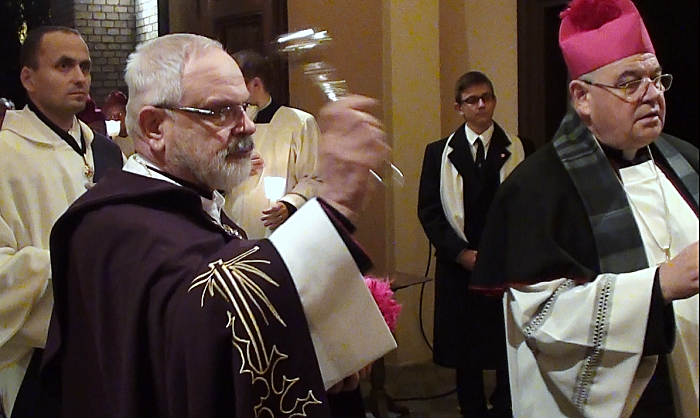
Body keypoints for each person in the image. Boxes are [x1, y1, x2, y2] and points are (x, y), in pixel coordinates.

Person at [39, 33, 391, 418]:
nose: (248, 126)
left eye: (245, 106)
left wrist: (321, 358)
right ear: (155, 127)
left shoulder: (195, 203)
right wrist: (335, 204)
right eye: (221, 110)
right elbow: (209, 317)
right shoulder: (115, 226)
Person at [472, 1, 699, 417]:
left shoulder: (686, 161)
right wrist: (659, 286)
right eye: (630, 83)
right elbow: (544, 320)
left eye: (655, 78)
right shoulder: (537, 190)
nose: (652, 94)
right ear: (582, 98)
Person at [0, 26, 123, 417]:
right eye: (64, 66)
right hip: (40, 359)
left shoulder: (107, 151)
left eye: (85, 67)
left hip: (110, 343)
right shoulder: (5, 153)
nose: (80, 77)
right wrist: (72, 266)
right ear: (28, 78)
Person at [418, 71, 525, 418]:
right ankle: (472, 408)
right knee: (465, 348)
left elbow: (531, 206)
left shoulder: (519, 148)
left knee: (508, 342)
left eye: (486, 98)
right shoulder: (439, 153)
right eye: (472, 100)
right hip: (459, 265)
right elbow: (429, 211)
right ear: (459, 107)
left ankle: (506, 405)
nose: (481, 105)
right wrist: (461, 253)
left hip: (506, 263)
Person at [223, 49, 321, 238]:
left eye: (236, 83)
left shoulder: (299, 123)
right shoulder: (229, 123)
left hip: (277, 228)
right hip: (231, 223)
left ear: (256, 84)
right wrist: (235, 168)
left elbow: (315, 177)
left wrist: (289, 204)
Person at [102, 89, 135, 157]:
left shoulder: (136, 137)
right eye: (112, 116)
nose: (116, 119)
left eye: (119, 114)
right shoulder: (106, 142)